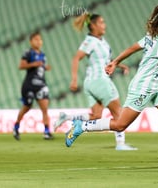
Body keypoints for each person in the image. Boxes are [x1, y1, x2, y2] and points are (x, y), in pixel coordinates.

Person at [64, 5, 158, 170]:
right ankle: (82, 126)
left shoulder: (153, 35)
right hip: (143, 87)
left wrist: (116, 62)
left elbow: (132, 48)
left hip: (157, 86)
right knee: (120, 124)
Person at [54, 12, 136, 151]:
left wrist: (119, 65)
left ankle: (67, 118)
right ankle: (120, 144)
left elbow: (105, 61)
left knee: (96, 115)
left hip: (91, 83)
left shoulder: (101, 41)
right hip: (99, 80)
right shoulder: (90, 41)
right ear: (93, 25)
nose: (104, 25)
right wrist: (74, 79)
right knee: (118, 113)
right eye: (101, 22)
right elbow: (76, 58)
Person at [13, 31, 54, 140]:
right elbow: (21, 66)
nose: (39, 41)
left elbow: (40, 68)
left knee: (44, 108)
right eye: (36, 39)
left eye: (40, 39)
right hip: (29, 85)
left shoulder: (43, 55)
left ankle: (46, 131)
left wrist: (45, 68)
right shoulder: (28, 53)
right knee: (27, 107)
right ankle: (16, 126)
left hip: (41, 85)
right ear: (31, 41)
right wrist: (33, 64)